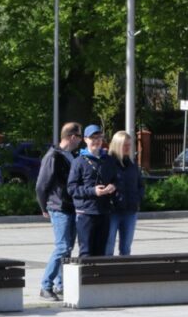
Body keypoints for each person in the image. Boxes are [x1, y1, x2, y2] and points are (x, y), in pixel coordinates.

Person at [35, 122, 82, 300]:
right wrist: (44, 207)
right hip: (59, 207)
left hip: (71, 207)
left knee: (67, 248)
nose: (81, 140)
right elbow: (41, 185)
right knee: (62, 247)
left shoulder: (72, 155)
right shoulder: (53, 156)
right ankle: (45, 286)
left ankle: (61, 285)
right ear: (72, 137)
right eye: (79, 137)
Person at [67, 124, 117, 257]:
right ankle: (85, 272)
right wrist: (93, 191)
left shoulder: (109, 160)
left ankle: (98, 272)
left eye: (99, 137)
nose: (96, 141)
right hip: (86, 213)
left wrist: (113, 186)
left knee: (101, 252)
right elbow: (71, 189)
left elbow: (116, 179)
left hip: (104, 211)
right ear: (85, 140)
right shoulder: (78, 162)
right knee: (86, 252)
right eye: (93, 138)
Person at [104, 130, 144, 256]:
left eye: (129, 145)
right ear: (117, 145)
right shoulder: (107, 163)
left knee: (126, 247)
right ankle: (107, 268)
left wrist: (138, 199)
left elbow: (140, 184)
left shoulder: (132, 164)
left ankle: (124, 268)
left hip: (130, 211)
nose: (128, 148)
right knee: (108, 246)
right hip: (112, 211)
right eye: (125, 145)